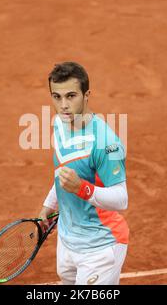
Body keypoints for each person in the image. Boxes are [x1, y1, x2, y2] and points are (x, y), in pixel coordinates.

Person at [38, 61, 129, 285]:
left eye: (71, 96)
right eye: (56, 97)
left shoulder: (106, 143)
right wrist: (48, 206)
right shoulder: (60, 125)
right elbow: (63, 176)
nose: (63, 105)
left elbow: (121, 199)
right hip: (67, 242)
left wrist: (82, 188)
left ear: (86, 95)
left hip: (101, 247)